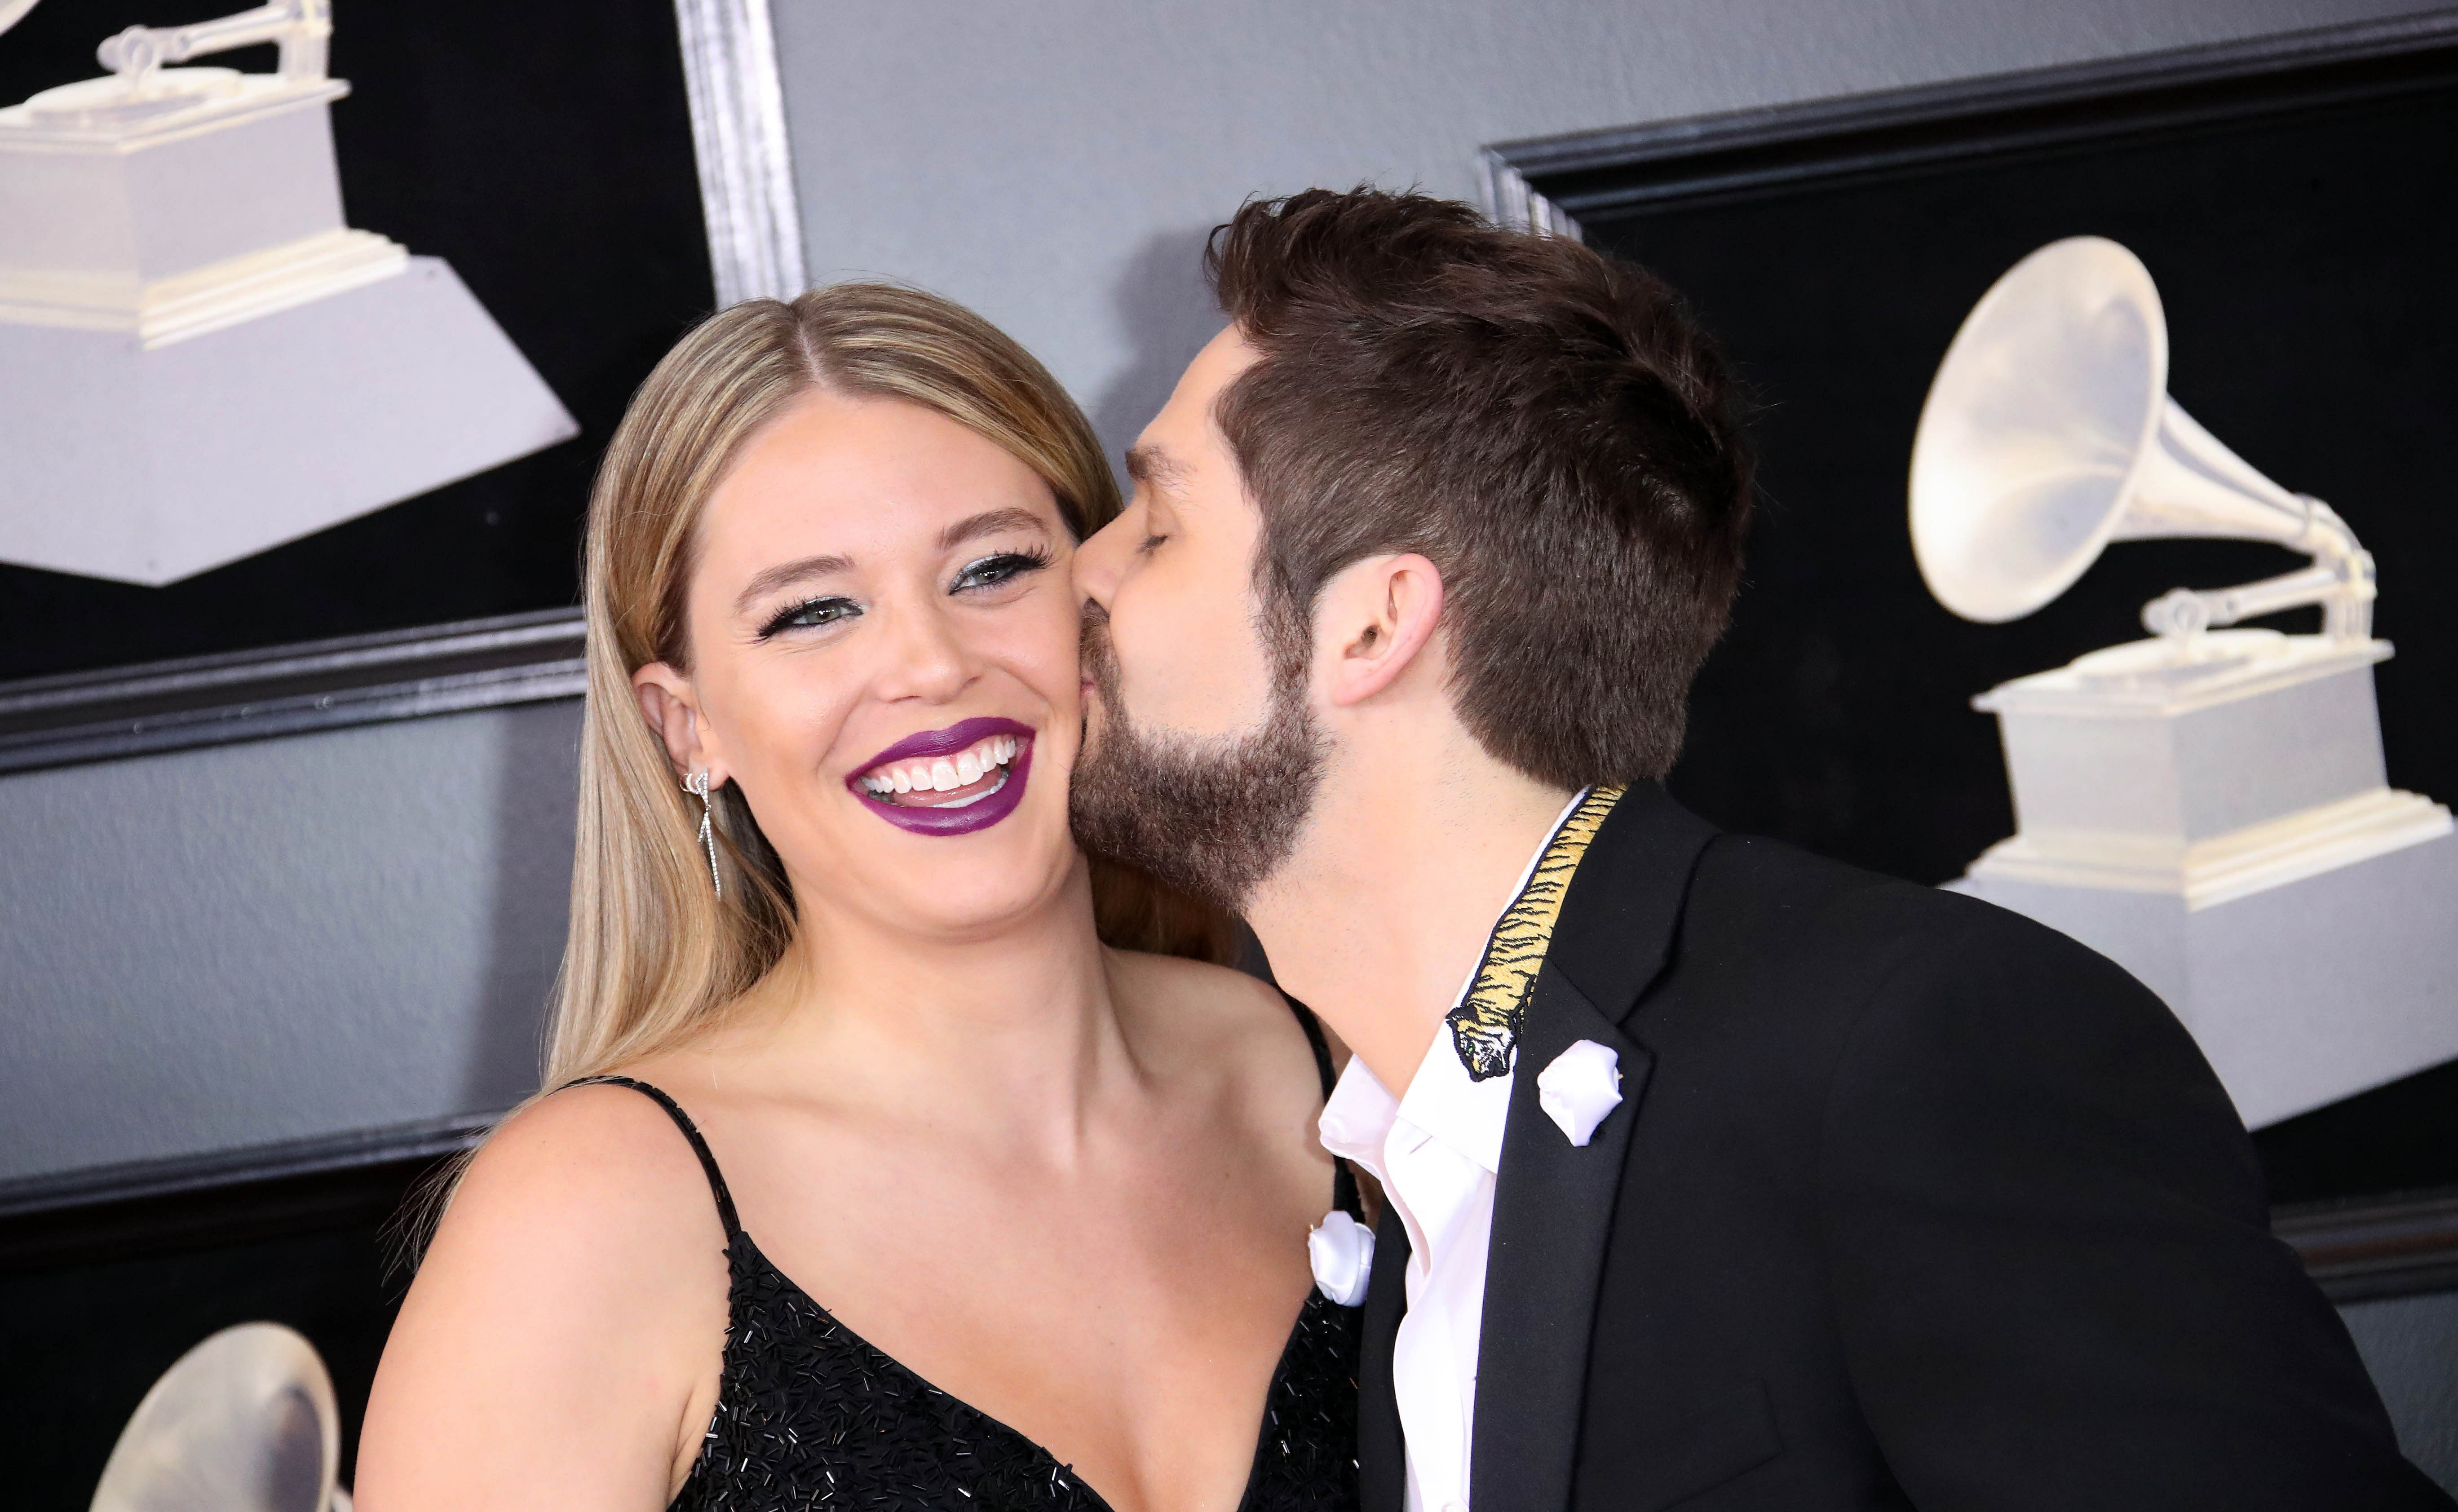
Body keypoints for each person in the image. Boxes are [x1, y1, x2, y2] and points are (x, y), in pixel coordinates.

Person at [1068, 188, 2450, 1512]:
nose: (1085, 571)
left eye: (1160, 524)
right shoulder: (1403, 1161)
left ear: (1373, 626)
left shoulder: (1920, 1050)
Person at [357, 284, 1364, 1512]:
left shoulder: (1338, 1074)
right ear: (689, 728)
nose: (933, 666)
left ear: (1103, 606)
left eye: (992, 568)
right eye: (814, 612)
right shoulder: (584, 1217)